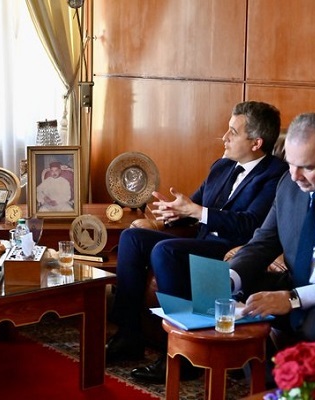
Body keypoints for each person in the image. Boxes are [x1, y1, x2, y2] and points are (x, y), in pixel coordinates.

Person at [106, 101, 288, 383]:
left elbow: (252, 224)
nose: (224, 137)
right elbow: (194, 207)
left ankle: (183, 353)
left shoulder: (277, 175)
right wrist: (174, 213)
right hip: (200, 242)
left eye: (233, 132)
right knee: (132, 237)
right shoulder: (221, 167)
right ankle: (128, 334)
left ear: (256, 143)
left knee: (166, 250)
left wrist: (196, 212)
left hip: (233, 253)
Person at [228, 112, 315, 359]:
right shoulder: (288, 185)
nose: (295, 175)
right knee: (235, 294)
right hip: (294, 283)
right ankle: (263, 377)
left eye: (307, 167)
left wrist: (294, 299)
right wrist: (229, 277)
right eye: (291, 163)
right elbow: (264, 241)